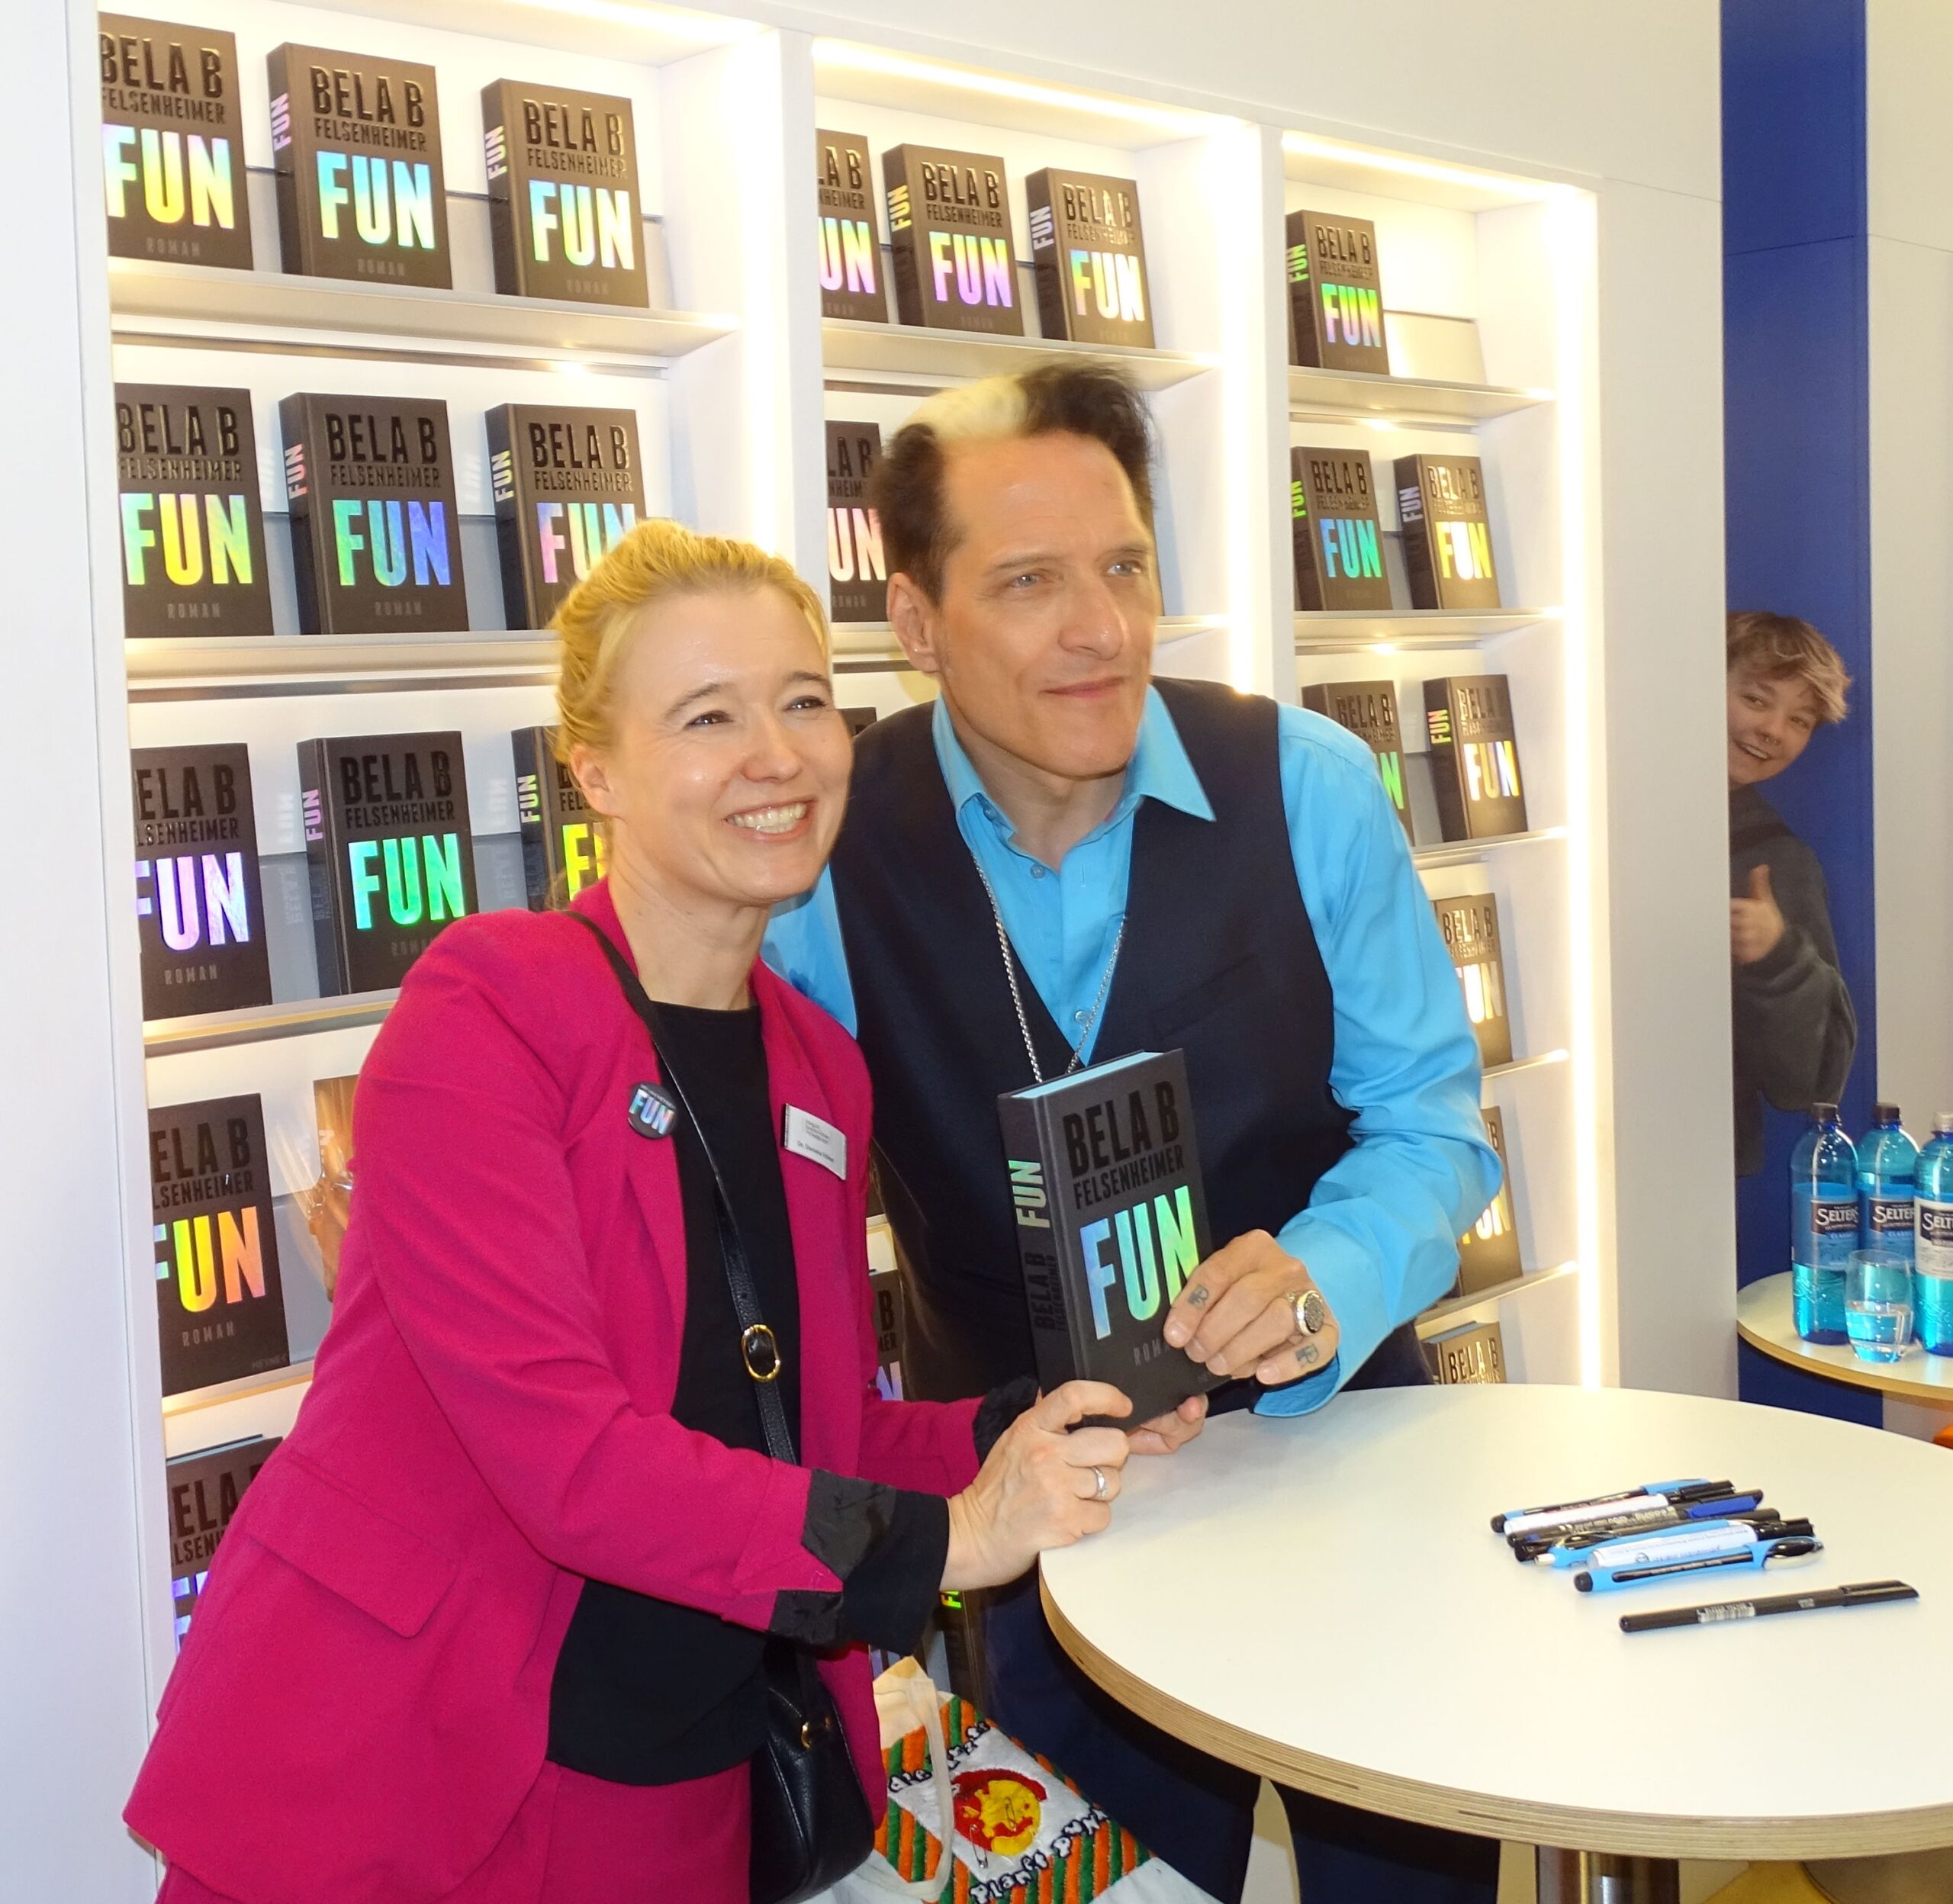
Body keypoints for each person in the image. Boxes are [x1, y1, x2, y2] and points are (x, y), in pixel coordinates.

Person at [124, 522, 1135, 1904]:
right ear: (594, 770)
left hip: (684, 1781)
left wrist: (1045, 1425)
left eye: (803, 702)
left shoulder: (818, 1065)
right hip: (410, 1769)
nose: (776, 755)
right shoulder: (488, 1008)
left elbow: (817, 1430)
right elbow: (570, 1455)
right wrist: (954, 1540)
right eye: (708, 716)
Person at [765, 363, 1501, 1904]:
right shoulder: (827, 852)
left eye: (1123, 566)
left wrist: (1326, 1275)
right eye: (1028, 582)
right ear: (914, 623)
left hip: (1345, 1471)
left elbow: (1431, 1124)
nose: (1098, 626)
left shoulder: (1305, 786)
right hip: (1042, 1538)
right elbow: (766, 1185)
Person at [1725, 610, 1855, 1176]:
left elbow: (1813, 1082)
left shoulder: (1777, 860)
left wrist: (1777, 958)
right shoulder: (1590, 806)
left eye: (1800, 720)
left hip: (1694, 1165)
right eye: (1756, 700)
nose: (1774, 731)